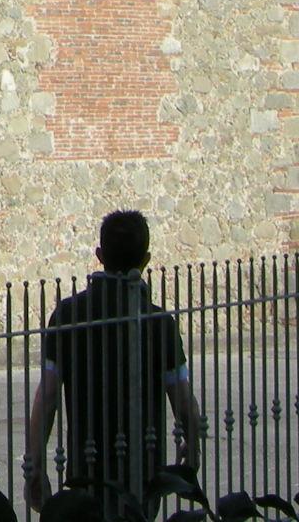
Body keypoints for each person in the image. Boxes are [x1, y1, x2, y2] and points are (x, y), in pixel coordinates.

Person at [23, 211, 204, 516]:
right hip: (145, 468)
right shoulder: (159, 323)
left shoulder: (67, 316)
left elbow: (49, 396)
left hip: (86, 467)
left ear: (99, 255)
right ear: (146, 260)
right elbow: (182, 398)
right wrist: (193, 444)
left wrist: (35, 465)